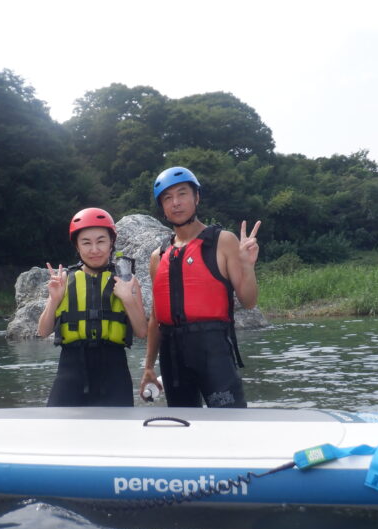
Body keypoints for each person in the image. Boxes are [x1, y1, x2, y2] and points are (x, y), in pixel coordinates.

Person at [140, 167, 261, 408]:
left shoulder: (223, 241)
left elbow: (248, 301)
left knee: (230, 424)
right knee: (181, 427)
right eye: (167, 198)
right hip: (172, 356)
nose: (176, 203)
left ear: (196, 197)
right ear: (162, 207)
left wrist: (247, 267)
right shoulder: (159, 255)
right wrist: (148, 367)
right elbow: (155, 318)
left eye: (182, 194)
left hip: (213, 350)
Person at [38, 208, 148, 406]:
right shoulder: (63, 280)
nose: (94, 249)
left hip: (114, 374)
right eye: (86, 243)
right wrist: (54, 300)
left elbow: (141, 331)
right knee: (58, 433)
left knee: (118, 436)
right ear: (77, 246)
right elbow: (43, 331)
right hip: (71, 374)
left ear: (111, 243)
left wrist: (127, 299)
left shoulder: (127, 280)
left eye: (101, 241)